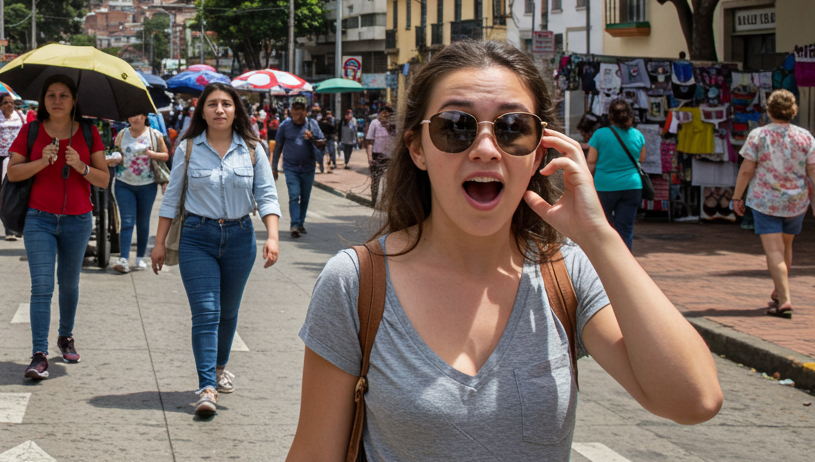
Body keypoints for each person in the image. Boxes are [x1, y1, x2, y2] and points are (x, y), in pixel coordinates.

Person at [286, 40, 722, 460]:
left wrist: (599, 236)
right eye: (455, 126)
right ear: (417, 148)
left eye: (514, 128)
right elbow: (314, 452)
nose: (485, 149)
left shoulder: (566, 274)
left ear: (539, 152)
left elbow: (694, 399)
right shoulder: (356, 281)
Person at [151, 83, 280, 417]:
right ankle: (207, 386)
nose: (219, 110)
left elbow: (266, 195)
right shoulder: (188, 148)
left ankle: (220, 368)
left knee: (228, 312)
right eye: (212, 105)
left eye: (226, 104)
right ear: (202, 110)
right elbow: (171, 197)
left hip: (240, 238)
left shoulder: (253, 149)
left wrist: (273, 236)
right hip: (197, 237)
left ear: (236, 110)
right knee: (206, 313)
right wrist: (159, 243)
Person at [5, 75, 111, 380]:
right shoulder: (31, 130)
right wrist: (41, 161)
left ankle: (65, 336)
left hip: (78, 219)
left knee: (69, 283)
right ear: (43, 101)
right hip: (39, 218)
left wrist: (81, 166)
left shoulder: (89, 132)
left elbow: (102, 179)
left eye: (64, 95)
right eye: (50, 95)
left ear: (74, 101)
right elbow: (12, 173)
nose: (57, 101)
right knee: (41, 286)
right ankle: (39, 354)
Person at [731, 89, 815, 319]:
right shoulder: (805, 136)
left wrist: (737, 196)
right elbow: (812, 169)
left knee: (774, 250)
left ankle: (785, 300)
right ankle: (778, 292)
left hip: (766, 200)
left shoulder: (759, 135)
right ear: (793, 110)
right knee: (786, 247)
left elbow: (747, 169)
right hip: (796, 201)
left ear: (769, 110)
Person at [107, 113, 170, 273]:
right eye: (131, 115)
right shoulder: (122, 134)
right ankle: (123, 259)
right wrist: (115, 158)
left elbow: (165, 155)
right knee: (127, 221)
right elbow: (115, 152)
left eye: (138, 115)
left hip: (147, 185)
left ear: (144, 116)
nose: (134, 118)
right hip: (124, 183)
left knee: (143, 222)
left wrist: (152, 154)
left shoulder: (154, 134)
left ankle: (140, 257)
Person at [585, 98, 647, 250]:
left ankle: (604, 261)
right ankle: (624, 265)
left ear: (610, 115)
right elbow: (641, 158)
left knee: (602, 226)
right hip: (632, 186)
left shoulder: (600, 134)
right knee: (625, 229)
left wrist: (586, 181)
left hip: (605, 186)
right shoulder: (637, 135)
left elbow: (591, 161)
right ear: (630, 115)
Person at [273, 97, 327, 239]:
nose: (297, 113)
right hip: (291, 167)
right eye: (295, 109)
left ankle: (300, 222)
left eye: (300, 109)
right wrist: (273, 167)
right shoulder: (284, 126)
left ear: (305, 111)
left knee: (305, 198)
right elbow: (278, 147)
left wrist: (313, 137)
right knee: (293, 195)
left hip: (308, 167)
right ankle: (294, 224)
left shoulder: (312, 124)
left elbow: (322, 143)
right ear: (290, 111)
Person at [0, 93, 27, 240]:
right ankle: (8, 229)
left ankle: (18, 227)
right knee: (2, 193)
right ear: (0, 104)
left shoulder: (20, 116)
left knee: (19, 192)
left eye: (11, 102)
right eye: (5, 103)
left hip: (17, 158)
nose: (9, 105)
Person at [364, 105, 395, 204]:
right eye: (384, 113)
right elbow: (369, 142)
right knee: (376, 179)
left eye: (388, 114)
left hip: (391, 156)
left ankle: (389, 202)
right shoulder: (375, 123)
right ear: (380, 114)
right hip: (377, 155)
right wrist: (369, 157)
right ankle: (374, 200)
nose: (386, 115)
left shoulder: (394, 125)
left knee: (391, 180)